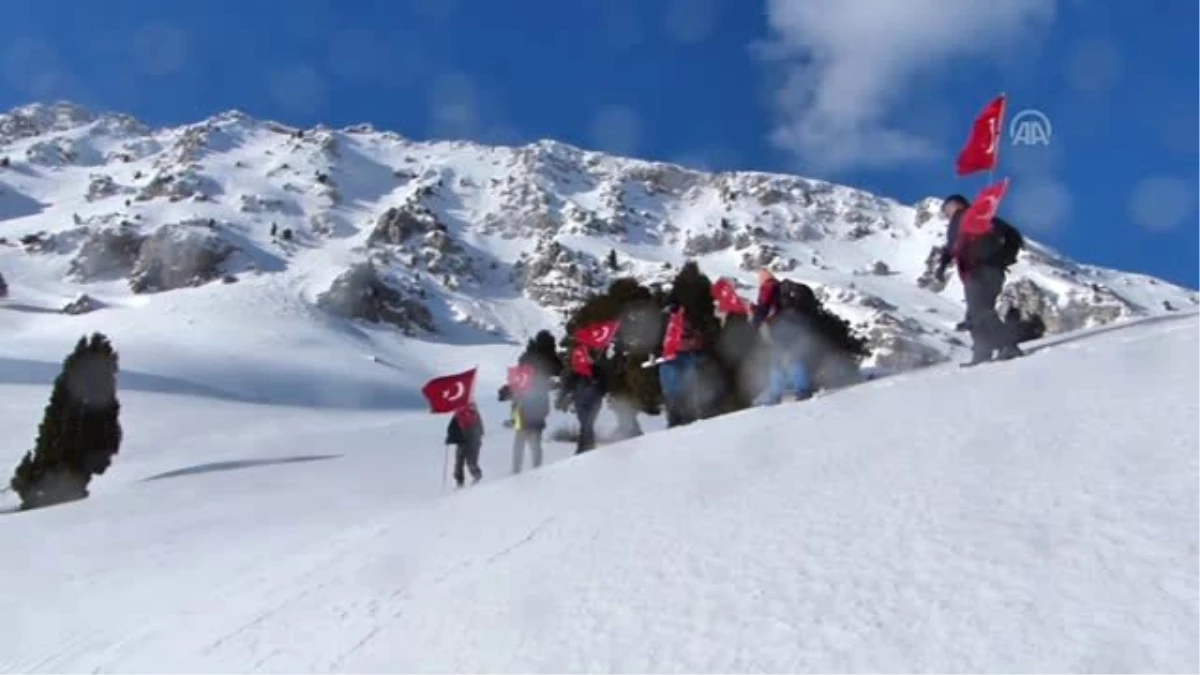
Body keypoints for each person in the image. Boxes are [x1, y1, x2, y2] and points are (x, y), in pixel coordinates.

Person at [934, 194, 1023, 365]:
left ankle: (1008, 345)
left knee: (980, 311)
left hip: (983, 270)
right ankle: (982, 352)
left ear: (954, 205)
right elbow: (952, 247)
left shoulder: (971, 215)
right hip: (978, 271)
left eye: (945, 209)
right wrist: (942, 265)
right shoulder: (960, 223)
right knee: (974, 313)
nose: (944, 214)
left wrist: (1002, 256)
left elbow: (1010, 233)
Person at [750, 269, 814, 404]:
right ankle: (799, 390)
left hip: (781, 327)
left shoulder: (768, 287)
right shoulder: (780, 289)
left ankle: (779, 394)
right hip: (794, 325)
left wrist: (754, 325)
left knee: (779, 360)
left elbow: (764, 308)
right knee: (791, 357)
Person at [444, 402, 484, 487]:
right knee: (466, 462)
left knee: (463, 462)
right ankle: (471, 479)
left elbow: (452, 428)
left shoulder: (461, 413)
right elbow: (481, 430)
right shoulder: (467, 413)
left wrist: (450, 438)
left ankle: (464, 481)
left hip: (468, 441)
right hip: (468, 441)